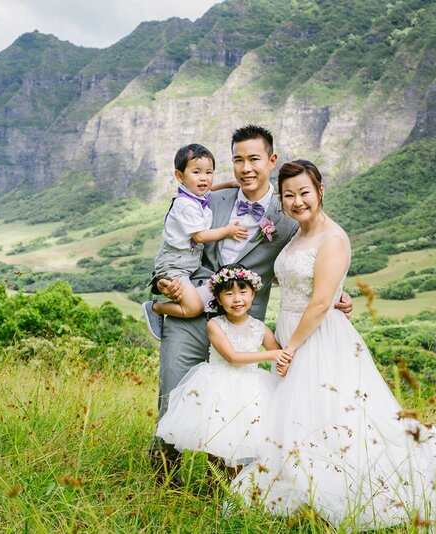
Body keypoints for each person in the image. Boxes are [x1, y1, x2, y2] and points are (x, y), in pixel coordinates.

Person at [231, 159, 436, 530]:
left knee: (339, 419)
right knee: (304, 416)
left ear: (320, 191)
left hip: (318, 338)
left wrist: (289, 347)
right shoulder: (296, 235)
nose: (297, 202)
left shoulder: (333, 238)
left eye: (304, 193)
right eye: (289, 195)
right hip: (297, 330)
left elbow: (321, 301)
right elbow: (297, 280)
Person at [149, 125, 353, 485]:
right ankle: (164, 482)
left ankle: (224, 488)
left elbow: (303, 258)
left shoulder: (287, 212)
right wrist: (162, 282)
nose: (245, 168)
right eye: (238, 160)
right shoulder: (210, 198)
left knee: (233, 409)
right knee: (174, 396)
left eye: (254, 159)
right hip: (190, 311)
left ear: (271, 161)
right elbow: (178, 242)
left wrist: (337, 293)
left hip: (243, 327)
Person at [155, 264, 288, 474]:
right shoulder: (215, 325)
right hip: (219, 389)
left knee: (244, 443)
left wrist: (282, 362)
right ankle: (214, 489)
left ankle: (237, 490)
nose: (237, 299)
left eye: (243, 292)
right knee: (217, 442)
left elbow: (280, 353)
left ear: (253, 294)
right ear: (218, 298)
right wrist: (271, 355)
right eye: (229, 293)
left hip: (251, 390)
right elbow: (232, 357)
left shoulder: (259, 327)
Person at [142, 144, 248, 341]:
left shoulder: (196, 196)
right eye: (196, 172)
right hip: (175, 264)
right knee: (194, 307)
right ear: (180, 176)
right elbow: (199, 236)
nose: (204, 178)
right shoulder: (185, 205)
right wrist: (227, 231)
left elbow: (209, 189)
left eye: (209, 172)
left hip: (188, 264)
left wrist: (230, 184)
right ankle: (155, 308)